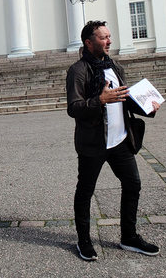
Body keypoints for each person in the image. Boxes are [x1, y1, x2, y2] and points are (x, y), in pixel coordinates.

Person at [66, 20, 160, 261]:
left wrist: (148, 108)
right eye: (103, 37)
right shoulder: (78, 70)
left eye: (109, 36)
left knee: (133, 185)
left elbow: (124, 99)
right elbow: (74, 108)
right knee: (85, 192)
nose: (109, 41)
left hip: (120, 141)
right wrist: (99, 100)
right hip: (94, 143)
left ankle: (129, 237)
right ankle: (84, 241)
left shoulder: (115, 67)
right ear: (89, 43)